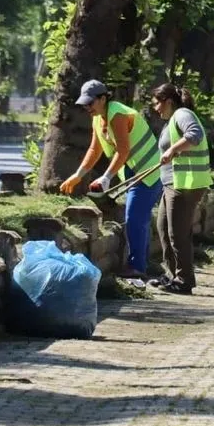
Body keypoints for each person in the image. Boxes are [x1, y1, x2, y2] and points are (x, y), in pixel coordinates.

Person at [60, 79, 163, 287]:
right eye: (85, 104)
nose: (87, 107)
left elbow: (123, 150)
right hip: (137, 172)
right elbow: (94, 149)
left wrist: (106, 177)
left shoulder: (117, 114)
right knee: (138, 218)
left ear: (104, 98)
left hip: (150, 172)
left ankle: (137, 268)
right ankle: (142, 265)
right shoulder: (99, 117)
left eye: (91, 103)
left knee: (134, 217)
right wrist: (78, 175)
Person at [147, 83, 211, 295]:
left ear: (168, 101)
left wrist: (173, 150)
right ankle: (172, 274)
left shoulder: (183, 114)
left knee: (177, 233)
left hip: (185, 183)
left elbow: (195, 135)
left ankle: (184, 281)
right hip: (173, 183)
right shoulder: (171, 121)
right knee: (163, 227)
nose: (156, 109)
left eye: (157, 103)